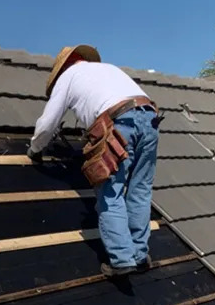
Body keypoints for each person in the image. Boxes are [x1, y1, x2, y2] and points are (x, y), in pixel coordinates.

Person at [28, 45, 159, 277]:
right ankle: (140, 255)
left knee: (110, 190)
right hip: (150, 118)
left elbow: (48, 123)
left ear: (62, 69)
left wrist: (35, 149)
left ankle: (121, 259)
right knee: (140, 190)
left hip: (119, 123)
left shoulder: (68, 76)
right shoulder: (108, 69)